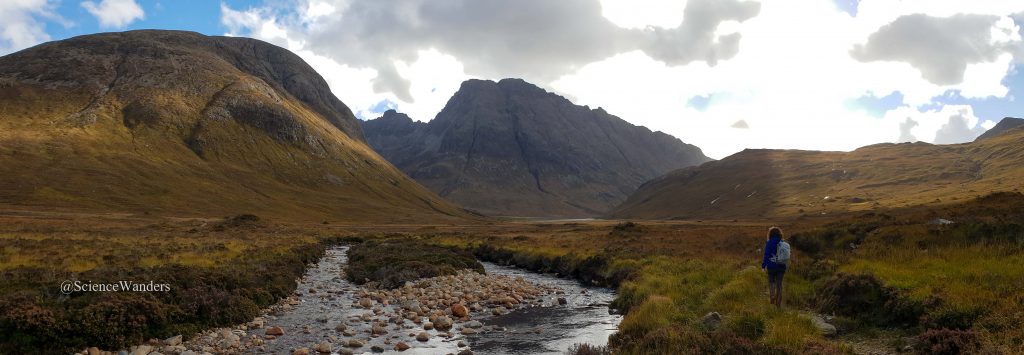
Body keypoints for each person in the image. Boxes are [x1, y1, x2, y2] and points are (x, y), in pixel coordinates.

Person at [761, 226, 787, 308]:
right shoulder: (783, 243)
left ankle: (772, 295)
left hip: (771, 266)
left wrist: (763, 266)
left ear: (770, 234)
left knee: (771, 282)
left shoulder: (769, 243)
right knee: (779, 284)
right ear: (779, 234)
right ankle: (778, 303)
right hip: (781, 266)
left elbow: (766, 255)